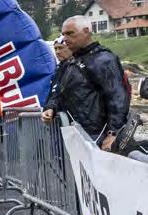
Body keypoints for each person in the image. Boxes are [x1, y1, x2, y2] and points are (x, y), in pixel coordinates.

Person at [44, 18, 130, 148]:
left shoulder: (104, 60)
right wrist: (51, 108)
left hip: (95, 135)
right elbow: (59, 92)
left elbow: (117, 97)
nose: (65, 38)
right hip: (73, 133)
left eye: (70, 33)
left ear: (86, 31)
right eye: (63, 34)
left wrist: (113, 133)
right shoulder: (71, 62)